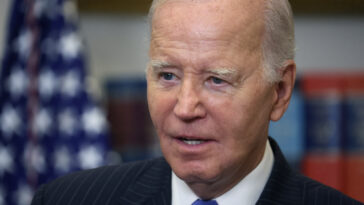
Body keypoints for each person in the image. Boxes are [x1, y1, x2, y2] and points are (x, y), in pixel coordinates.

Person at [31, 0, 362, 204]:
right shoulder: (64, 200)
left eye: (217, 79)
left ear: (280, 91)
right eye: (168, 76)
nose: (185, 108)